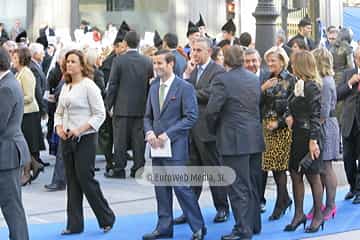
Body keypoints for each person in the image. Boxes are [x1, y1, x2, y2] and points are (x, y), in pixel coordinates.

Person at [143, 49, 206, 240]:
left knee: (181, 188)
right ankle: (164, 227)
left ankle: (198, 227)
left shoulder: (184, 87)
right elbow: (147, 116)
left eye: (160, 63)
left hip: (175, 147)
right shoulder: (154, 86)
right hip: (156, 147)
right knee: (161, 189)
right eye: (154, 63)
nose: (156, 67)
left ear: (171, 64)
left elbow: (191, 117)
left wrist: (167, 135)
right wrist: (149, 132)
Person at [206, 45, 265, 240]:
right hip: (254, 137)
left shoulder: (222, 80)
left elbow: (212, 111)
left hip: (233, 139)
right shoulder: (252, 78)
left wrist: (214, 129)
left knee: (237, 186)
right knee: (252, 184)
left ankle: (243, 229)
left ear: (226, 60)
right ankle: (254, 225)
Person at [55, 49, 115, 235]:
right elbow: (59, 112)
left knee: (85, 179)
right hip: (67, 138)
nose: (69, 64)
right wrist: (58, 128)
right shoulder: (66, 86)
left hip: (85, 138)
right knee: (72, 181)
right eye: (67, 62)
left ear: (82, 65)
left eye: (73, 61)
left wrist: (80, 129)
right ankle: (74, 224)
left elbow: (100, 114)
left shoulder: (89, 86)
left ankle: (106, 217)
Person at [173, 37, 229, 225]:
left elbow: (209, 94)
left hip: (208, 131)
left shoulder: (218, 71)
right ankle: (190, 210)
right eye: (192, 50)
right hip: (191, 131)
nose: (194, 53)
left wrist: (186, 86)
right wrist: (186, 79)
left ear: (209, 52)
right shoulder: (191, 70)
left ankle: (222, 208)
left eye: (198, 50)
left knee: (214, 172)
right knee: (193, 174)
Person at [105, 30, 153, 178]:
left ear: (125, 43)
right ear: (139, 43)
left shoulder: (118, 60)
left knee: (120, 140)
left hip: (121, 107)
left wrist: (108, 105)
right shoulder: (147, 61)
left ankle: (119, 169)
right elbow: (150, 85)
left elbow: (112, 85)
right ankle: (138, 169)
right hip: (141, 107)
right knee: (139, 141)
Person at [285, 51, 324, 233]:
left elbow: (316, 116)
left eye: (293, 63)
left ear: (300, 65)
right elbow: (290, 105)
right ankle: (298, 214)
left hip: (310, 135)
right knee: (294, 174)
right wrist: (289, 115)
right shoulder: (297, 84)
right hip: (297, 135)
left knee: (313, 176)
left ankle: (318, 216)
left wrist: (313, 141)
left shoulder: (312, 86)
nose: (291, 66)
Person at [261, 46, 296, 221]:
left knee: (280, 168)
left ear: (282, 61)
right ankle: (285, 199)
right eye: (268, 61)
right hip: (267, 128)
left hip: (282, 130)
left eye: (273, 60)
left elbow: (293, 108)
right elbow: (259, 103)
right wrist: (262, 87)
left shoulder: (291, 80)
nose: (270, 64)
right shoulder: (267, 79)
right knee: (273, 169)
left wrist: (279, 123)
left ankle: (280, 203)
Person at [307, 48, 340, 220]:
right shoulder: (322, 80)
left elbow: (324, 111)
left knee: (326, 167)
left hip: (327, 126)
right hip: (323, 125)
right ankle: (319, 204)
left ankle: (331, 205)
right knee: (320, 167)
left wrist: (313, 128)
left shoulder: (327, 82)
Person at [0, 47, 30, 240]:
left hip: (6, 154)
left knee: (12, 207)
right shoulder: (8, 83)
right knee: (12, 206)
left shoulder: (6, 87)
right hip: (8, 152)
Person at [99, 20, 130, 174]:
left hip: (121, 105)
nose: (125, 50)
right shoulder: (108, 63)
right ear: (116, 47)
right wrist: (108, 105)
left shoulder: (125, 60)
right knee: (109, 135)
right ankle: (110, 162)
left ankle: (118, 160)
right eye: (123, 47)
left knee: (119, 136)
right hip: (110, 104)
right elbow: (108, 86)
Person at [13, 47, 45, 185]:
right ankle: (34, 166)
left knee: (25, 144)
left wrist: (14, 99)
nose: (12, 60)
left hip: (29, 114)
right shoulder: (19, 73)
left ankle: (27, 172)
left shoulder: (26, 73)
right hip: (23, 113)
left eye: (15, 58)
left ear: (22, 59)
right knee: (23, 143)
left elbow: (30, 97)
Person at [244, 47, 269, 214]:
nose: (251, 64)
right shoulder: (241, 77)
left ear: (260, 62)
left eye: (254, 61)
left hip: (266, 126)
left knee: (261, 167)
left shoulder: (268, 76)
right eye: (247, 61)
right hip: (245, 128)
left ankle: (260, 199)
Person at [336, 47, 360, 204]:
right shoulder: (347, 73)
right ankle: (352, 187)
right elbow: (337, 94)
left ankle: (359, 190)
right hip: (349, 122)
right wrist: (350, 83)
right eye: (358, 57)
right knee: (348, 158)